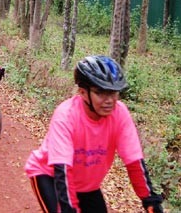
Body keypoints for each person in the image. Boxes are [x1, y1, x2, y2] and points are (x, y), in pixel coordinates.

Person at [24, 55, 164, 213]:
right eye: (101, 92)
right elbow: (62, 170)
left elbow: (134, 162)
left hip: (87, 185)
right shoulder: (66, 116)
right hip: (50, 176)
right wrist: (69, 208)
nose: (110, 100)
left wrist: (149, 199)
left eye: (113, 93)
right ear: (83, 93)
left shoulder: (120, 113)